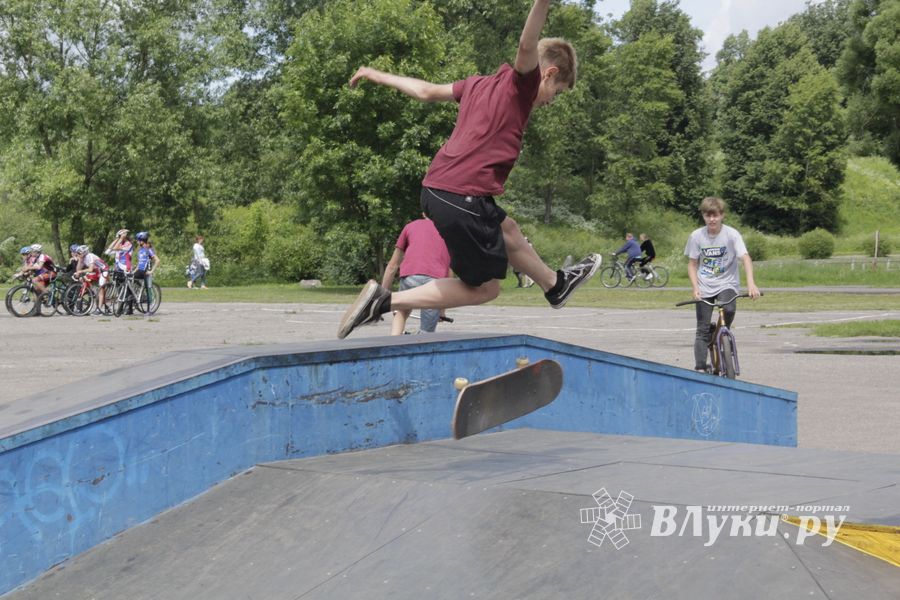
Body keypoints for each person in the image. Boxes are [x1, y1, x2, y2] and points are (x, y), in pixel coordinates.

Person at [338, 0, 601, 339]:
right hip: (460, 193)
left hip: (437, 190)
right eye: (557, 92)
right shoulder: (522, 86)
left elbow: (426, 91)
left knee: (508, 230)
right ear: (548, 73)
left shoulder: (477, 84)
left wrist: (376, 74)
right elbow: (526, 45)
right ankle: (384, 302)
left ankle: (554, 285)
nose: (551, 101)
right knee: (486, 288)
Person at [684, 197, 761, 373]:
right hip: (704, 284)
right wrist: (695, 288)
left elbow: (746, 259)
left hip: (727, 283)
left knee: (729, 309)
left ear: (722, 215)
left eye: (715, 215)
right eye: (707, 215)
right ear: (703, 216)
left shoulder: (732, 235)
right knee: (702, 329)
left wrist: (751, 284)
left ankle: (721, 331)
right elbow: (692, 264)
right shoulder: (696, 236)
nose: (711, 219)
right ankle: (700, 368)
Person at [380, 216, 451, 335]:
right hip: (435, 283)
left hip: (409, 278)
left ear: (424, 213)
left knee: (401, 313)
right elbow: (448, 274)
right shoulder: (448, 231)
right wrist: (442, 310)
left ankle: (394, 342)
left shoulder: (410, 226)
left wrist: (382, 298)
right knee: (426, 332)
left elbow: (392, 266)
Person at [74, 245, 110, 315]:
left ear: (84, 252)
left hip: (104, 270)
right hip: (96, 271)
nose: (77, 254)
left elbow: (90, 269)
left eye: (79, 253)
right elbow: (78, 269)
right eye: (77, 253)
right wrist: (80, 260)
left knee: (100, 288)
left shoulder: (89, 256)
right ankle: (106, 306)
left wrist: (80, 272)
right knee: (91, 285)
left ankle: (99, 309)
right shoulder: (83, 258)